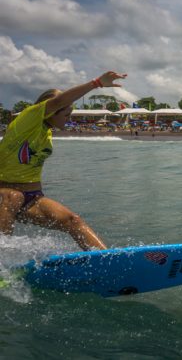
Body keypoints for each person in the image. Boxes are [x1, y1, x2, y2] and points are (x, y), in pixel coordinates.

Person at [0, 71, 127, 251]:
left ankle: (106, 261)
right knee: (13, 196)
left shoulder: (47, 132)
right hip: (4, 194)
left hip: (32, 198)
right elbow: (58, 102)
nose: (69, 119)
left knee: (73, 221)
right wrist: (96, 83)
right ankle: (2, 264)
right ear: (50, 111)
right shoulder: (28, 120)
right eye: (66, 114)